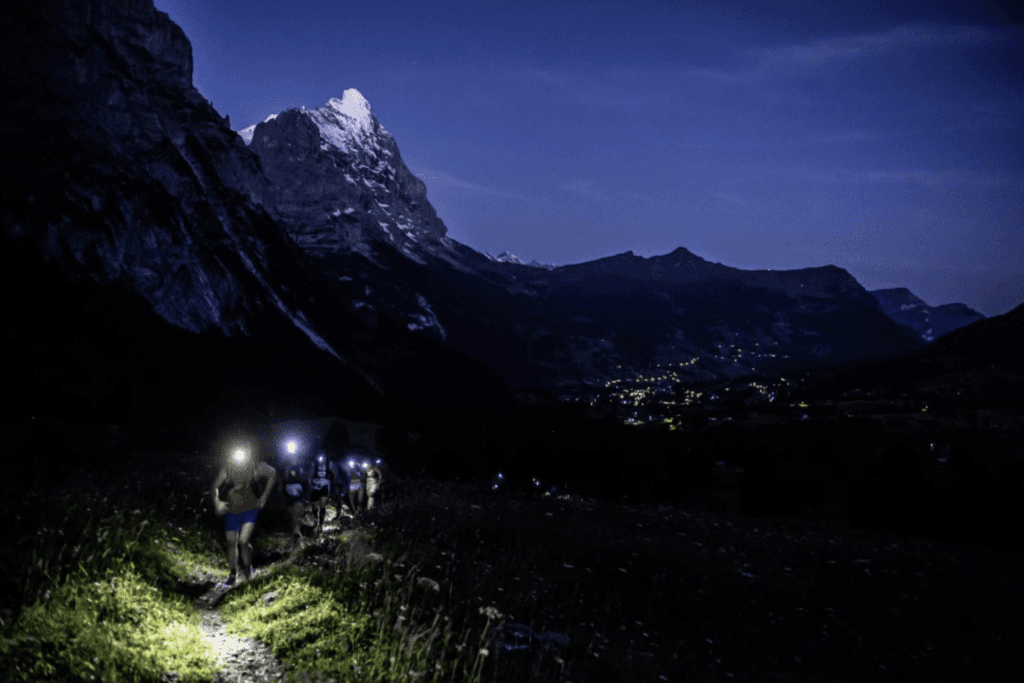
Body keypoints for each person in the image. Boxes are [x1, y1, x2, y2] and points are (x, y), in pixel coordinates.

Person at [211, 446, 277, 585]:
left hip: (250, 509)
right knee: (231, 542)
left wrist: (264, 497)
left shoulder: (256, 467)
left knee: (243, 541)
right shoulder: (228, 469)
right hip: (231, 510)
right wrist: (217, 503)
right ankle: (233, 573)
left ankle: (248, 568)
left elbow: (273, 474)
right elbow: (215, 486)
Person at [282, 466, 309, 547]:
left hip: (299, 502)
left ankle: (299, 543)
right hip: (290, 502)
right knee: (294, 522)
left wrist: (305, 503)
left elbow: (306, 492)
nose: (293, 472)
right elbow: (284, 492)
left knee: (296, 522)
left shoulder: (302, 480)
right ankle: (296, 542)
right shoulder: (286, 481)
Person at [308, 453, 334, 535]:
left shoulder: (329, 464)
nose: (322, 460)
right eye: (320, 458)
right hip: (316, 487)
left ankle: (321, 525)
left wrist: (329, 491)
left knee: (323, 505)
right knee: (315, 506)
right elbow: (310, 477)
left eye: (323, 458)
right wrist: (312, 486)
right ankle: (316, 520)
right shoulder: (314, 465)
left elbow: (331, 477)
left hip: (325, 487)